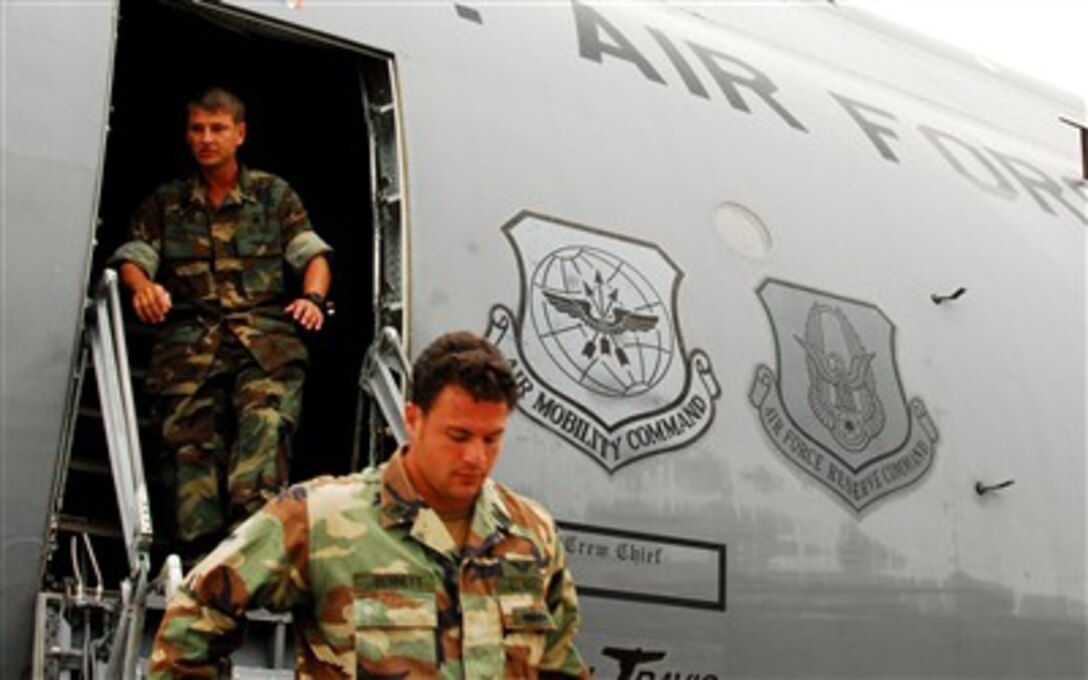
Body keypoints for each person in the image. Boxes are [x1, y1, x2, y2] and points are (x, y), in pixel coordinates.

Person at [149, 331, 592, 678]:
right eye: (458, 436)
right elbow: (197, 613)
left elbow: (558, 665)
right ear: (413, 419)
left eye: (492, 438)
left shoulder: (531, 533)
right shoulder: (321, 517)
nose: (476, 457)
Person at [109, 87, 333, 565]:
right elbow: (134, 258)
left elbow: (312, 254)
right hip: (191, 345)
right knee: (189, 463)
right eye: (197, 129)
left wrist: (313, 298)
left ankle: (249, 562)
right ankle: (198, 565)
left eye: (217, 129)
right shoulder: (167, 202)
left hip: (264, 343)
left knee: (263, 439)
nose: (207, 139)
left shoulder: (273, 196)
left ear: (240, 133)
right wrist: (142, 288)